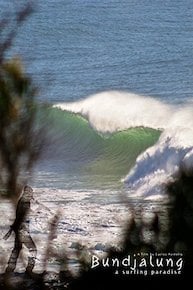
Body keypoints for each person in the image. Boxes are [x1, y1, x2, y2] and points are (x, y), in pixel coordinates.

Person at [4, 185, 37, 273]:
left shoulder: (22, 201)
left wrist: (12, 229)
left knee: (17, 248)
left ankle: (9, 269)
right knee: (33, 249)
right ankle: (29, 270)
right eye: (31, 192)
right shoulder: (25, 202)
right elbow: (22, 216)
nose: (32, 194)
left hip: (19, 229)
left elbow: (19, 216)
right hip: (22, 230)